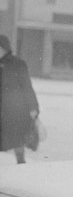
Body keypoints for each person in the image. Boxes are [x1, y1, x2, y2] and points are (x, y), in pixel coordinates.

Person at [0, 34, 40, 164]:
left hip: (14, 109)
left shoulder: (18, 64)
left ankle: (21, 164)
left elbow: (27, 87)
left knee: (17, 139)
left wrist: (33, 107)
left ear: (5, 49)